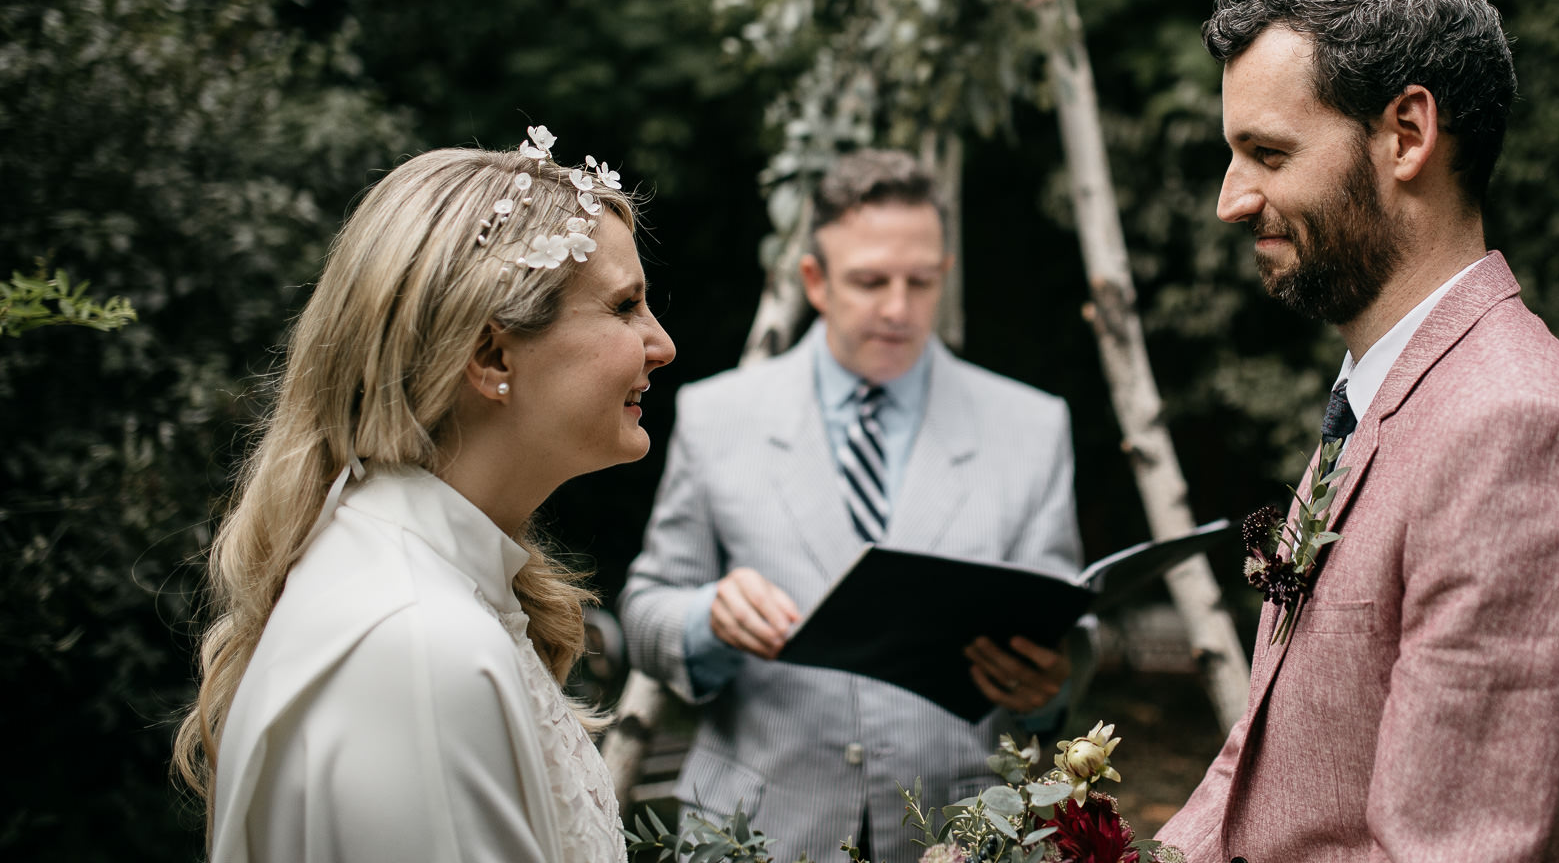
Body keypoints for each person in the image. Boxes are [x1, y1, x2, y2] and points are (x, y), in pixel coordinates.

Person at [1157, 0, 1559, 862]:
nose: (1231, 201)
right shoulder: (1385, 398)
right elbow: (1268, 771)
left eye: (1267, 153)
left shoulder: (1519, 434)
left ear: (1407, 134)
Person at [173, 130, 676, 863]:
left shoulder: (423, 582)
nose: (660, 344)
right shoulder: (420, 649)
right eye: (625, 306)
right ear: (492, 355)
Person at [620, 150, 1089, 863]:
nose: (899, 309)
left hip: (960, 833)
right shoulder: (719, 415)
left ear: (945, 274)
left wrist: (1050, 683)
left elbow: (1065, 624)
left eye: (920, 281)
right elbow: (646, 608)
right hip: (756, 830)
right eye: (871, 281)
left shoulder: (1032, 425)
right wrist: (706, 616)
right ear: (816, 280)